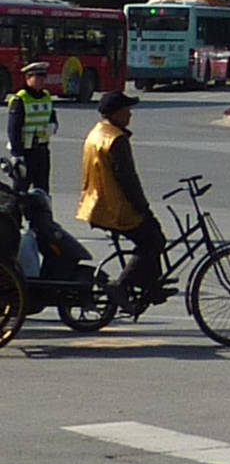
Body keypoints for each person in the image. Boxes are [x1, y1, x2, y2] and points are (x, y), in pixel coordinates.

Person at [75, 90, 166, 313]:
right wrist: (144, 208)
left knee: (151, 234)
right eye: (127, 110)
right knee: (153, 239)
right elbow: (128, 180)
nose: (130, 115)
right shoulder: (116, 139)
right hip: (113, 208)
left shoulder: (97, 132)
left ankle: (150, 286)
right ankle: (122, 286)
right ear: (116, 113)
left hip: (95, 204)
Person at [8, 61, 58, 193]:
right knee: (20, 191)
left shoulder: (46, 97)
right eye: (37, 77)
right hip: (25, 151)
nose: (42, 80)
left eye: (43, 77)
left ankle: (39, 214)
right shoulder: (20, 99)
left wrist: (53, 126)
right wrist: (17, 154)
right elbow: (14, 129)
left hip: (41, 151)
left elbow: (52, 117)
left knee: (42, 190)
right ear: (28, 78)